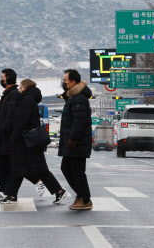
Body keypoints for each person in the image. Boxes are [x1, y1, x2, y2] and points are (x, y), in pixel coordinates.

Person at [0, 79, 68, 205]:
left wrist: (13, 138)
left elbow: (21, 121)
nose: (19, 90)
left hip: (26, 141)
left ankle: (59, 190)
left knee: (37, 169)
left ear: (25, 87)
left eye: (20, 88)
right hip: (26, 141)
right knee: (18, 167)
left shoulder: (26, 100)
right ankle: (11, 195)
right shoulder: (28, 99)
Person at [0, 69, 44, 200]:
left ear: (8, 79)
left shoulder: (14, 95)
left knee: (15, 166)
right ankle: (5, 192)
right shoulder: (8, 94)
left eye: (3, 78)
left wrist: (4, 131)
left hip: (9, 137)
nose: (1, 80)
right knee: (7, 165)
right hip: (6, 136)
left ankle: (35, 182)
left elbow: (11, 118)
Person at [59, 69, 93, 210]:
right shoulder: (73, 97)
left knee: (77, 171)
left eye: (65, 81)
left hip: (77, 142)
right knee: (66, 168)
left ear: (73, 82)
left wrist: (73, 139)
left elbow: (79, 121)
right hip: (72, 141)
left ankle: (85, 199)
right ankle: (80, 195)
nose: (63, 83)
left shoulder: (79, 98)